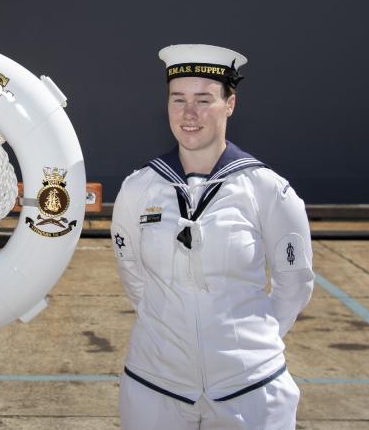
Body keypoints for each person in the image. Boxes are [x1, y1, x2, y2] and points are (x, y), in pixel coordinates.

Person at [111, 44, 315, 429]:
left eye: (204, 100)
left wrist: (243, 347)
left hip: (250, 390)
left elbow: (294, 283)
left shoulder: (267, 189)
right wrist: (170, 333)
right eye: (178, 99)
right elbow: (133, 278)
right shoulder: (138, 189)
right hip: (156, 384)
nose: (189, 113)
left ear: (230, 104)